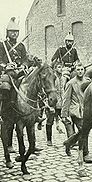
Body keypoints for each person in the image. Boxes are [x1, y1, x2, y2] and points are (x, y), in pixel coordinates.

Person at [0, 17, 29, 153]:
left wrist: (23, 66)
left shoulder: (22, 46)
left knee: (32, 84)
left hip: (19, 72)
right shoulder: (2, 45)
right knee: (6, 84)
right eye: (12, 32)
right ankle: (6, 105)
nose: (14, 34)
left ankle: (37, 108)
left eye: (16, 32)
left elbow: (25, 59)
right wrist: (6, 65)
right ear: (7, 32)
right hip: (7, 73)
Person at [61, 63, 92, 163]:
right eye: (78, 69)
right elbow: (66, 99)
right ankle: (86, 154)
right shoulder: (71, 83)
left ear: (84, 70)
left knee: (83, 131)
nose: (80, 71)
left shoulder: (88, 81)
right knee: (84, 131)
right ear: (75, 71)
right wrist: (64, 114)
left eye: (81, 69)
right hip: (75, 111)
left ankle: (69, 143)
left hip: (86, 110)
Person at [45, 62, 66, 146]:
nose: (60, 69)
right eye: (59, 67)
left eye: (61, 67)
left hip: (62, 102)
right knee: (50, 121)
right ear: (55, 68)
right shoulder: (52, 78)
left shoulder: (64, 78)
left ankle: (71, 140)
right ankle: (49, 140)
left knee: (67, 121)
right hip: (52, 102)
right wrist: (49, 104)